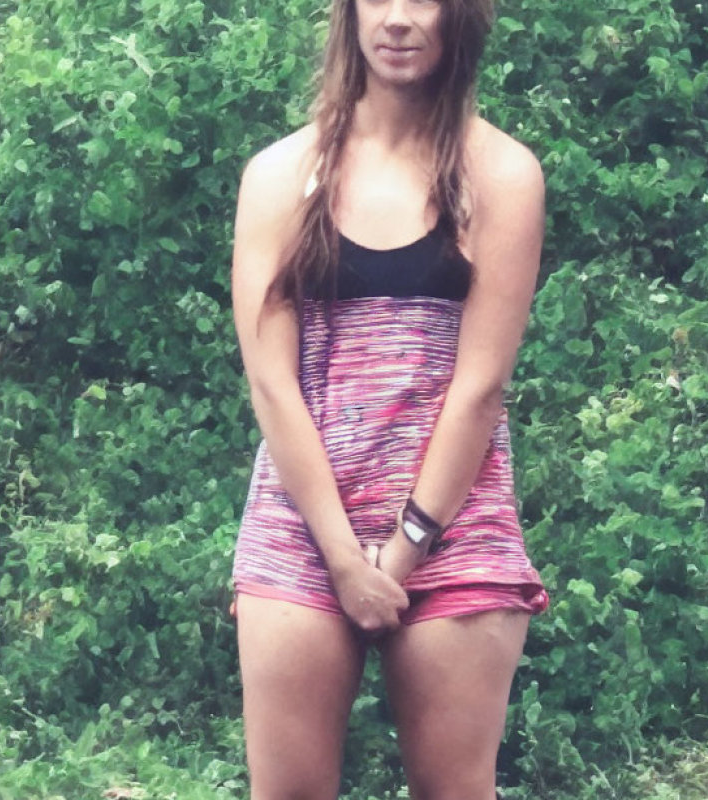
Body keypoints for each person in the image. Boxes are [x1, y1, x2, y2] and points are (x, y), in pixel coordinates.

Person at [230, 0, 548, 797]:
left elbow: (479, 389)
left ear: (461, 17)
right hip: (303, 523)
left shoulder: (503, 176)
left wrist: (403, 550)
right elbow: (271, 380)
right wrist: (342, 556)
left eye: (424, 0)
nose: (399, 19)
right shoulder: (279, 174)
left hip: (455, 525)